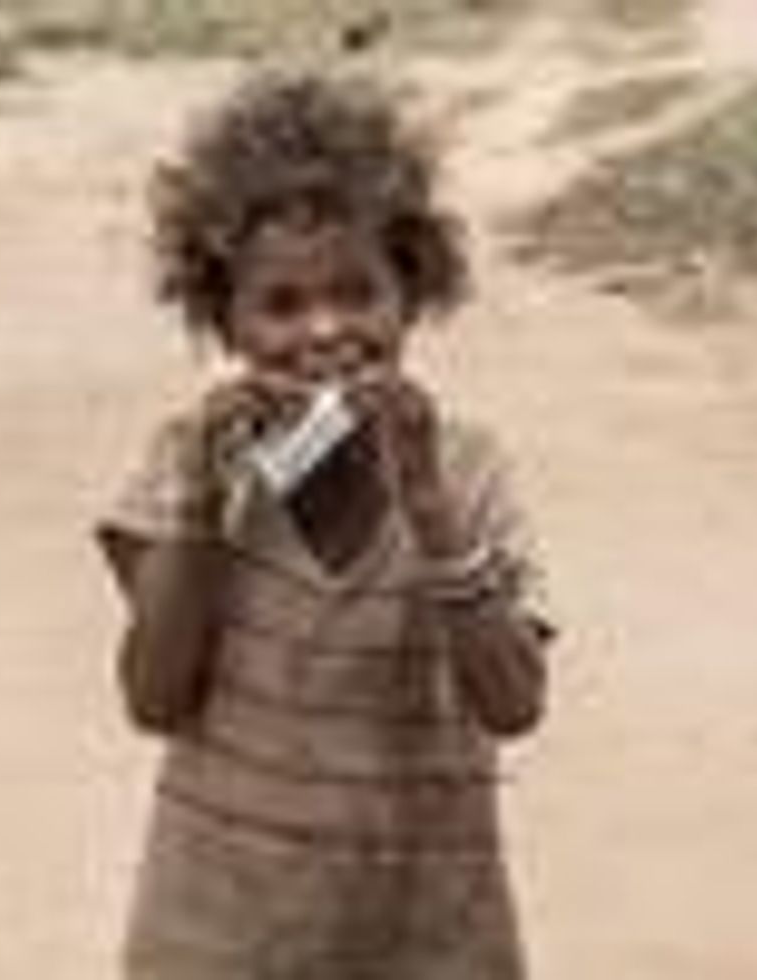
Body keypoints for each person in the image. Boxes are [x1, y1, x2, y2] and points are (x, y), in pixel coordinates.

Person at [94, 69, 557, 980]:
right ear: (224, 320)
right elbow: (153, 698)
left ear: (411, 294)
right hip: (218, 935)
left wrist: (432, 513)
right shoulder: (186, 466)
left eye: (358, 293)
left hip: (426, 930)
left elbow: (514, 703)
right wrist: (202, 508)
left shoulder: (468, 472)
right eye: (281, 304)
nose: (325, 331)